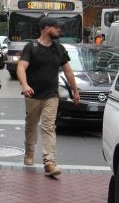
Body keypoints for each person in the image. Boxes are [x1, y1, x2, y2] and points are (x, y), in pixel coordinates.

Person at [16, 16, 80, 177]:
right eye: (56, 27)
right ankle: (29, 152)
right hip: (32, 95)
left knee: (49, 127)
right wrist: (24, 85)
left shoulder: (59, 49)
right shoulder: (31, 47)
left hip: (51, 94)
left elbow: (68, 71)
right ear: (46, 28)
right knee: (31, 126)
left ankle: (49, 163)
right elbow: (21, 67)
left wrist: (75, 91)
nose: (59, 30)